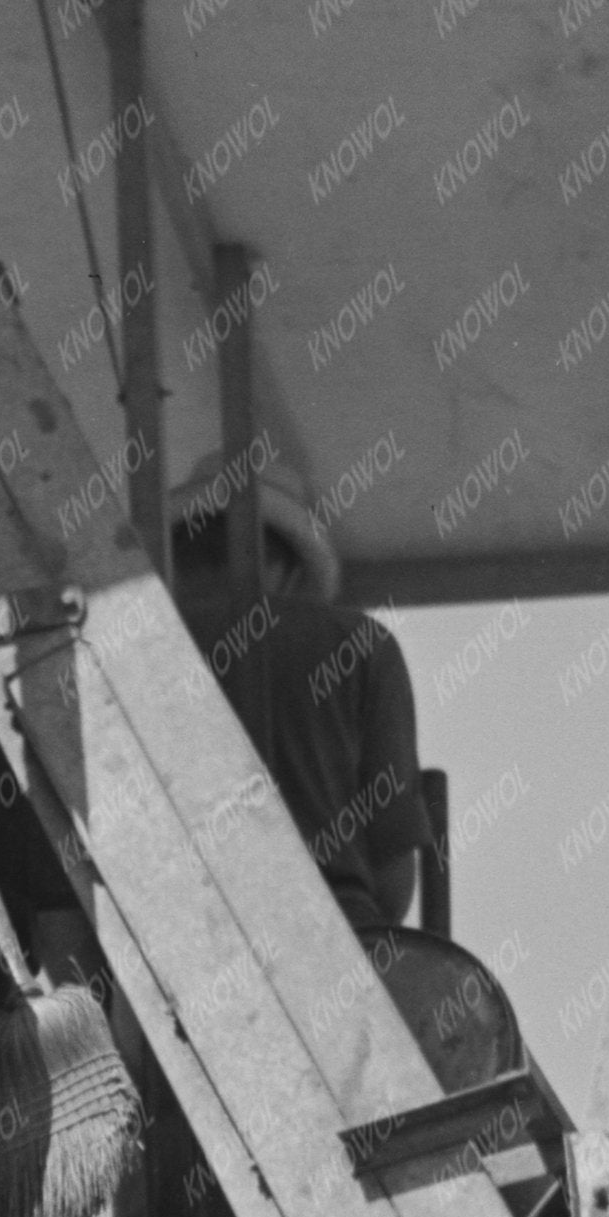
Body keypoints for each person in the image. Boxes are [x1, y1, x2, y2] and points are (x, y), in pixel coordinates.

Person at [163, 453, 520, 1092]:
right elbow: (394, 879)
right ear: (286, 562)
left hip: (178, 974)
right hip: (337, 959)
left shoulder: (135, 655)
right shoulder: (360, 647)